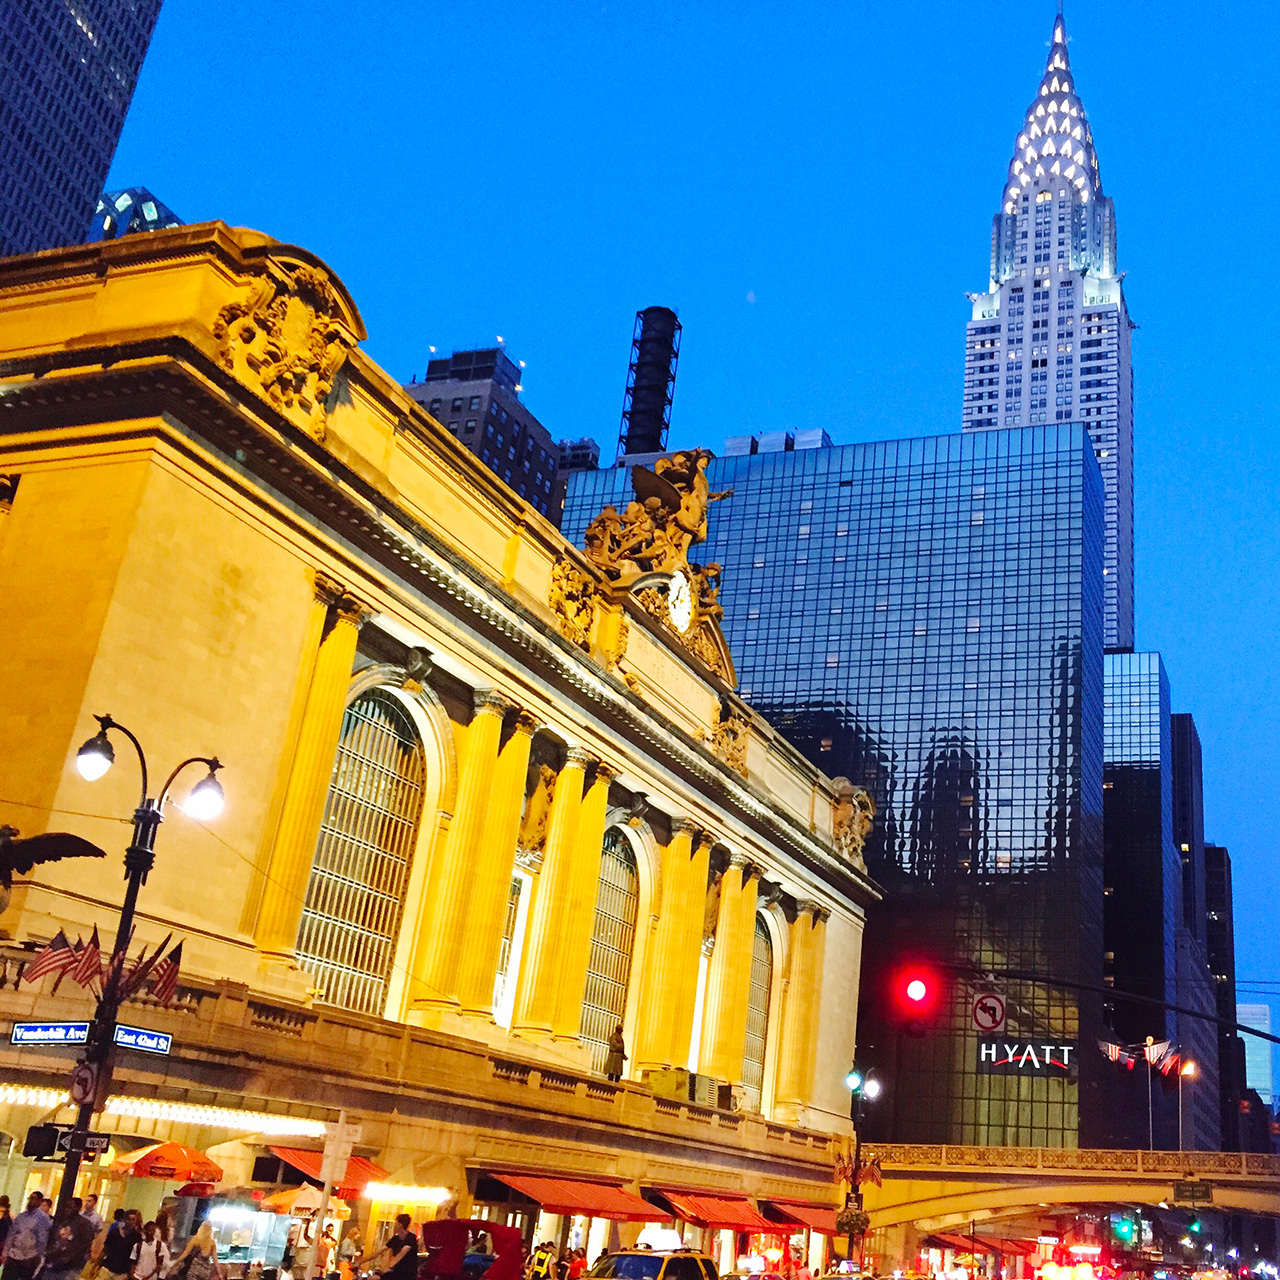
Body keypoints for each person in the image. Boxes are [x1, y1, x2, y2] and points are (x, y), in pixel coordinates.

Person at [0, 1191, 52, 1280]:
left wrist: (37, 1257)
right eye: (30, 1198)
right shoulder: (21, 1217)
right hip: (14, 1255)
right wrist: (5, 1253)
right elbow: (11, 1235)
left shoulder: (42, 1219)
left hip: (29, 1257)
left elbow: (42, 1240)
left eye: (34, 1199)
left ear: (39, 1201)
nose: (31, 1201)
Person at [42, 1198, 95, 1280]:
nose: (67, 1210)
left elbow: (86, 1244)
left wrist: (73, 1257)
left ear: (78, 1208)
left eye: (70, 1207)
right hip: (56, 1263)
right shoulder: (64, 1223)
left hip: (72, 1266)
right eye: (66, 1207)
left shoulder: (84, 1224)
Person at [360, 1214, 417, 1280]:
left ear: (400, 1225)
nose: (394, 1225)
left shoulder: (410, 1238)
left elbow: (402, 1253)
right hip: (396, 1271)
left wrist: (389, 1267)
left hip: (407, 1273)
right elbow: (379, 1251)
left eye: (396, 1223)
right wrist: (361, 1261)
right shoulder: (395, 1239)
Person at [99, 1210, 139, 1280]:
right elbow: (106, 1248)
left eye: (133, 1220)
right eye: (129, 1219)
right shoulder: (114, 1232)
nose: (131, 1222)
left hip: (123, 1272)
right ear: (124, 1220)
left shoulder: (136, 1237)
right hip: (108, 1267)